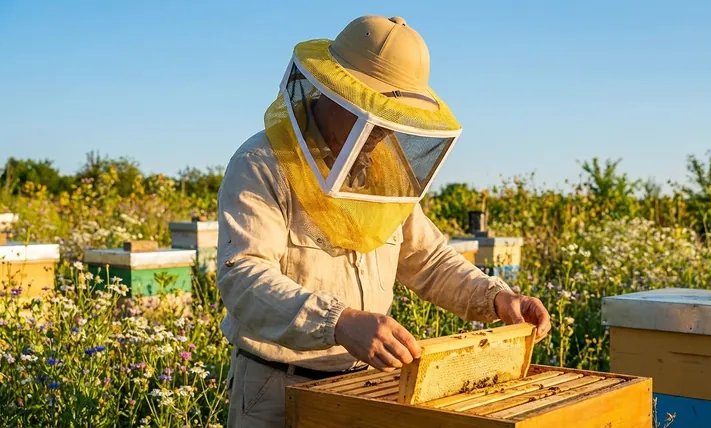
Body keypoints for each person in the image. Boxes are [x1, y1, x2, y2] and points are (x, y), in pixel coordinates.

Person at [216, 15, 552, 428]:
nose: (382, 130)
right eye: (375, 110)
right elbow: (243, 277)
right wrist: (339, 322)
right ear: (336, 91)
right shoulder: (262, 164)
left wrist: (496, 298)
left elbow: (426, 258)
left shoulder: (383, 172)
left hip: (367, 387)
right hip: (275, 392)